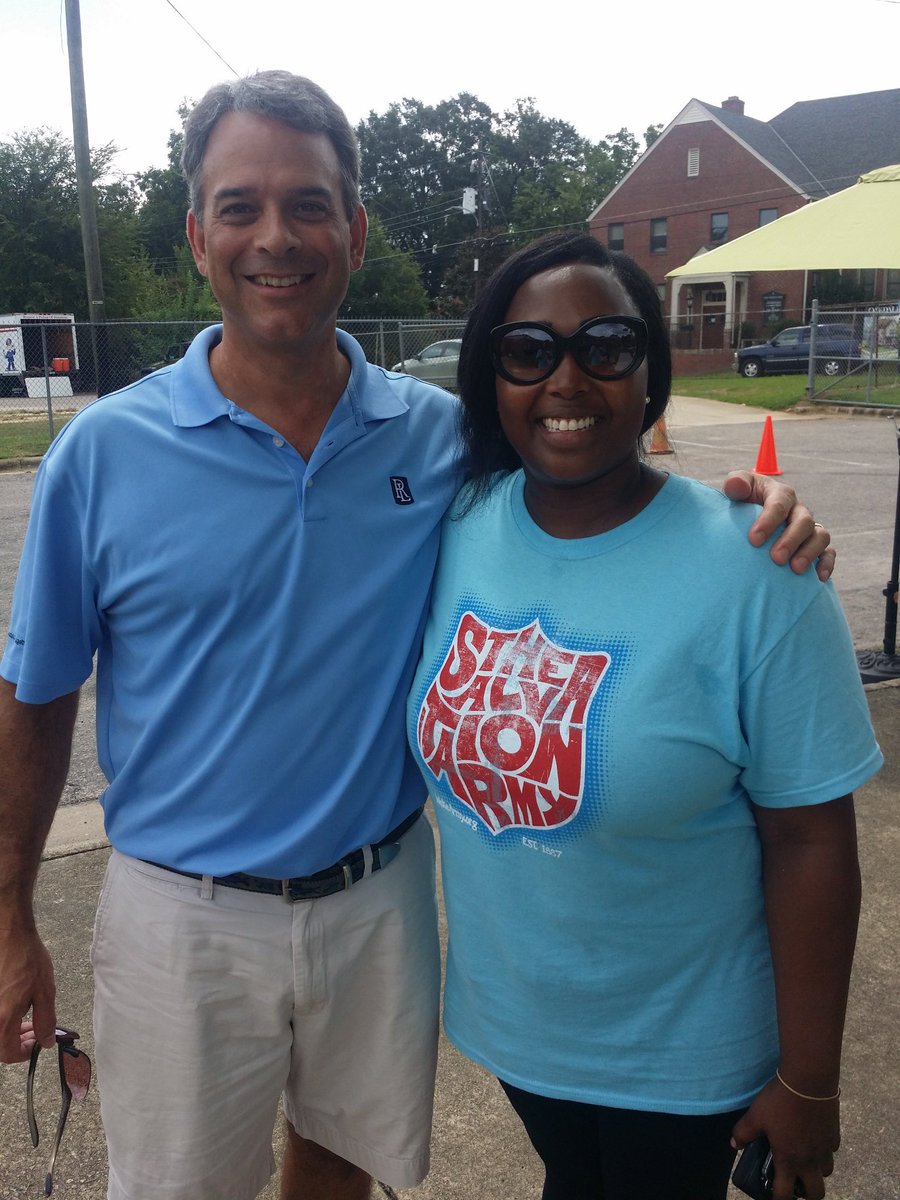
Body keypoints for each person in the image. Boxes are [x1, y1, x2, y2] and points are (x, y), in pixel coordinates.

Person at [0, 72, 833, 1200]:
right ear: (197, 233)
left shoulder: (441, 443)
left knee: (341, 1175)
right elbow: (36, 695)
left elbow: (596, 479)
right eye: (240, 206)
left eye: (308, 203)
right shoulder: (102, 457)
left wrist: (765, 517)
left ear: (355, 227)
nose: (275, 236)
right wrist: (9, 917)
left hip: (377, 897)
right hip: (180, 917)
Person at [407, 232, 881, 1200]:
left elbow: (811, 842)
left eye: (607, 347)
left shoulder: (759, 572)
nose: (566, 380)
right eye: (528, 351)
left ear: (651, 372)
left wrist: (810, 1080)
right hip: (516, 1031)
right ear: (492, 375)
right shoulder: (454, 525)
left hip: (684, 1053)